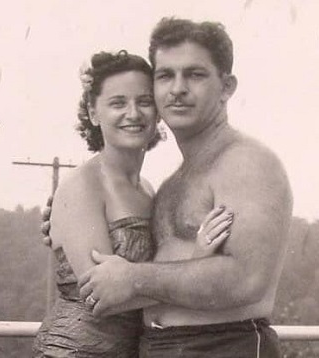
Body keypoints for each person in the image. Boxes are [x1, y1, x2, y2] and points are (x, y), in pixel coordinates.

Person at [77, 18, 294, 357]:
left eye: (195, 74)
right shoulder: (172, 182)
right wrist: (63, 218)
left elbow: (247, 279)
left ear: (226, 87)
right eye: (165, 75)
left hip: (224, 346)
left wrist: (133, 279)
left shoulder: (246, 162)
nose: (177, 88)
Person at [33, 49, 234, 357]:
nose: (133, 113)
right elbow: (102, 298)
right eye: (118, 103)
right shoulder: (82, 186)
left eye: (144, 101)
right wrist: (197, 261)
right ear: (93, 111)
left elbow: (141, 282)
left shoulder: (149, 190)